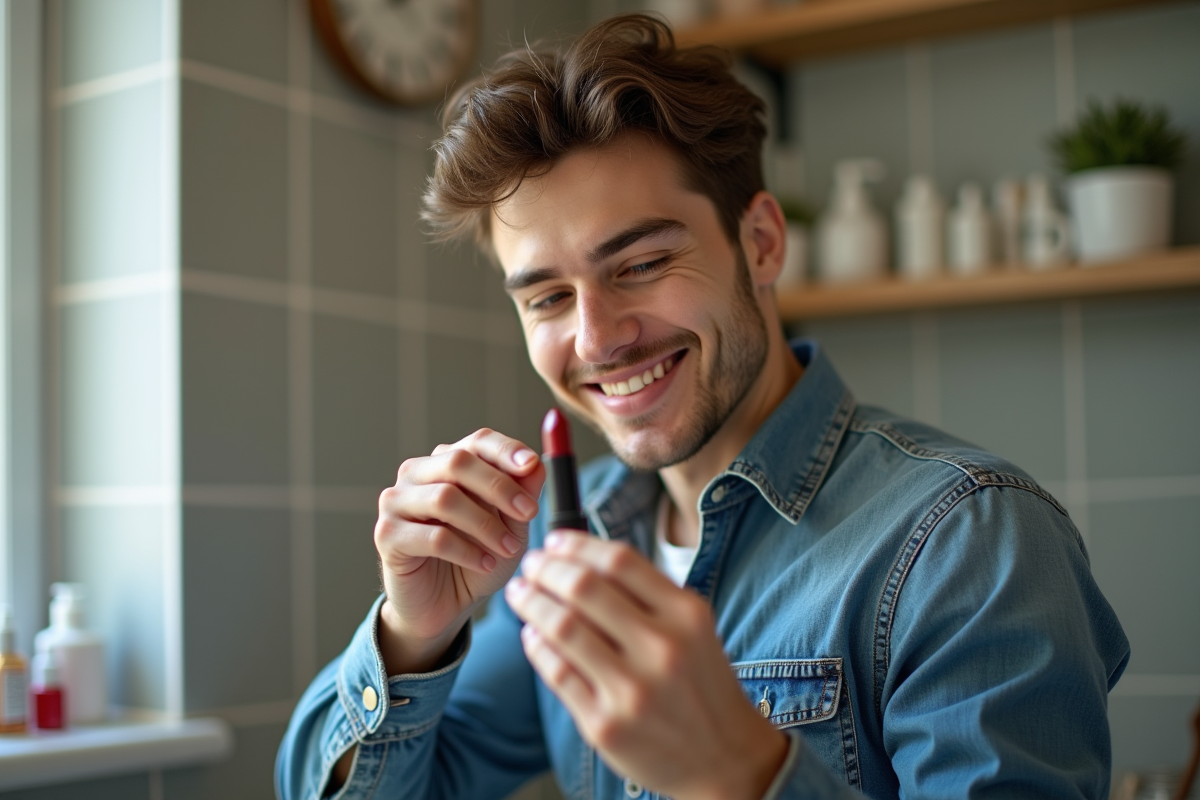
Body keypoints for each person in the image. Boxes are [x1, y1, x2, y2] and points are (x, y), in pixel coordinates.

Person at [276, 15, 1129, 800]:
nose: (598, 339)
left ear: (759, 242)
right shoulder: (570, 545)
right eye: (546, 299)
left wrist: (740, 770)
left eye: (641, 264)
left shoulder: (972, 542)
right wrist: (409, 636)